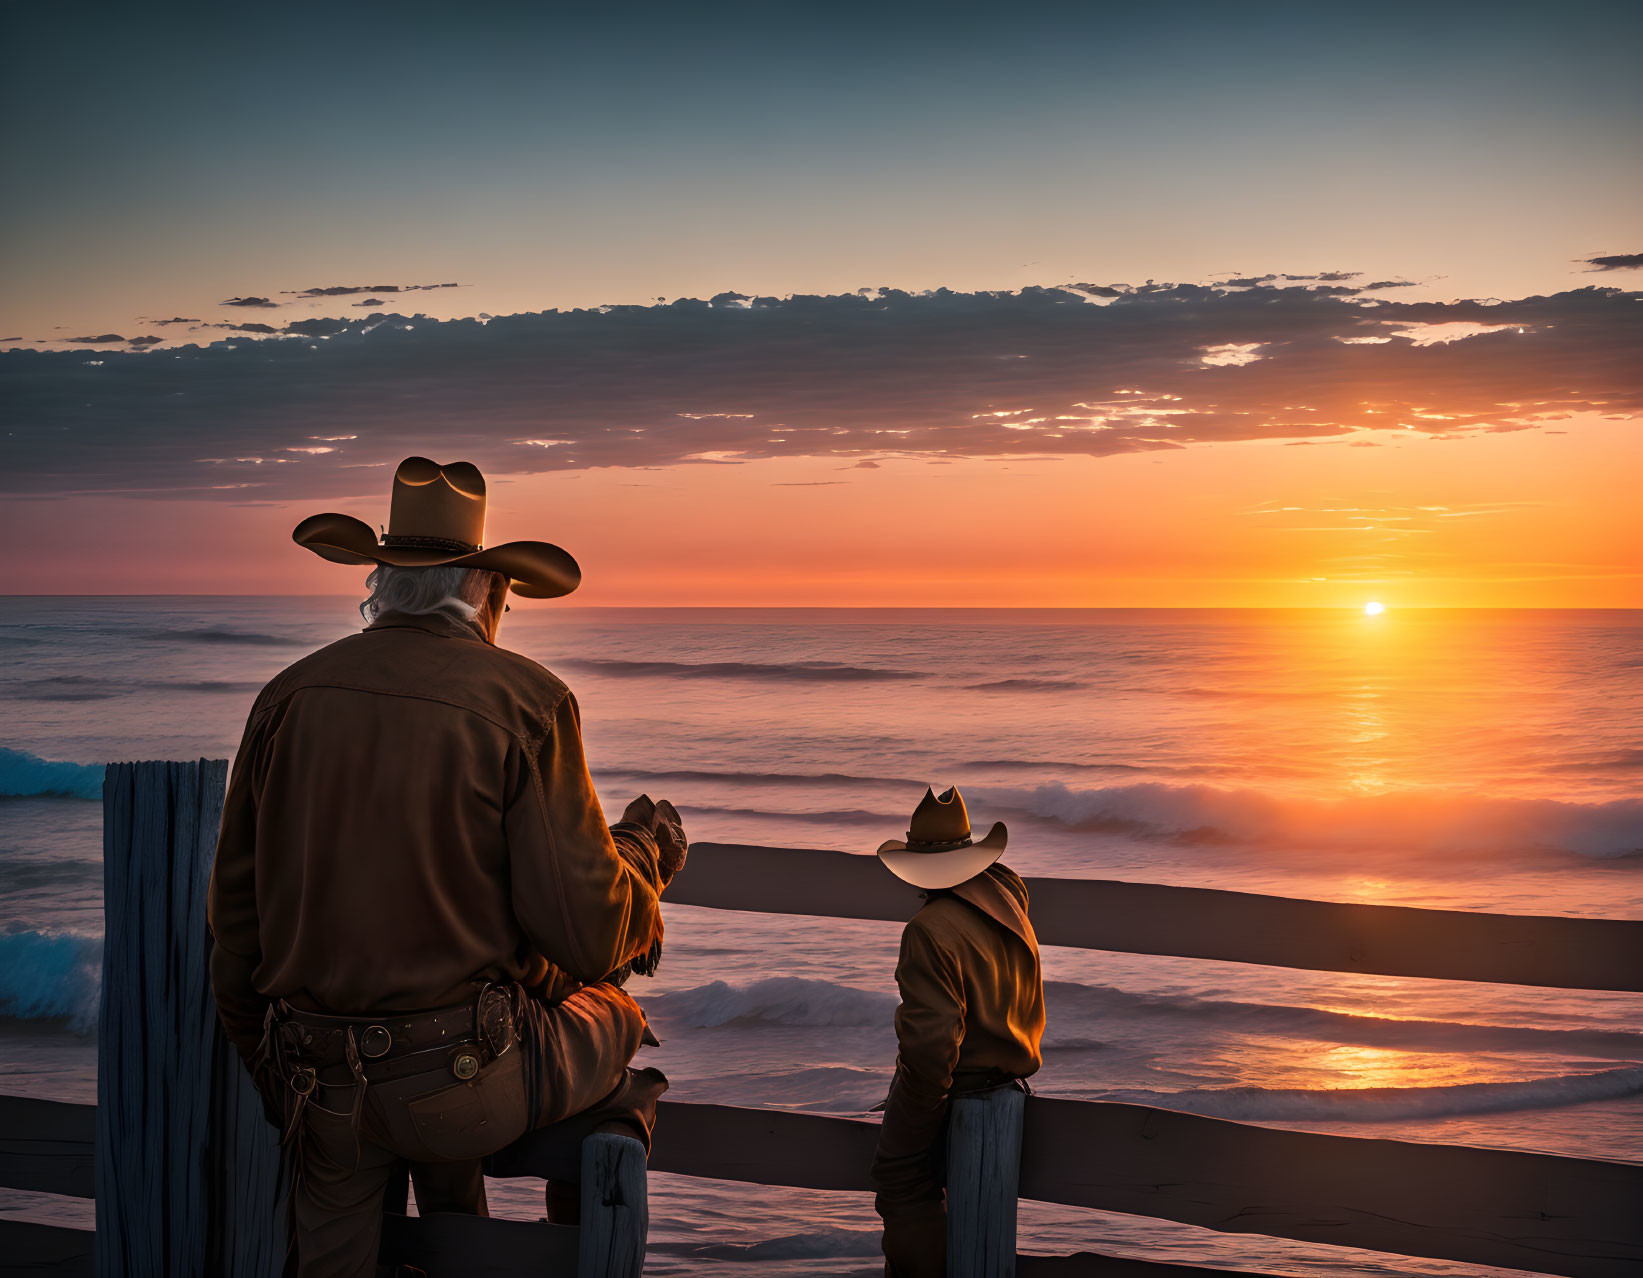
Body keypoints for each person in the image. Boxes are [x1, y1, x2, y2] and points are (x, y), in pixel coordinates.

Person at [207, 456, 688, 1277]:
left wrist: (272, 1071)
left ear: (381, 584)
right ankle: (564, 1246)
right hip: (465, 1087)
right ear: (488, 591)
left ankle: (447, 1214)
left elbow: (237, 925)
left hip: (317, 1081)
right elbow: (588, 932)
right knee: (616, 1019)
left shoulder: (286, 696)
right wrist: (643, 857)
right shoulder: (528, 702)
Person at [870, 786, 1045, 1278]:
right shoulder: (1009, 896)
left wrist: (913, 1115)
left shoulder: (928, 930)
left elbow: (930, 1050)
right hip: (1010, 1080)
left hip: (959, 1082)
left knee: (900, 1178)